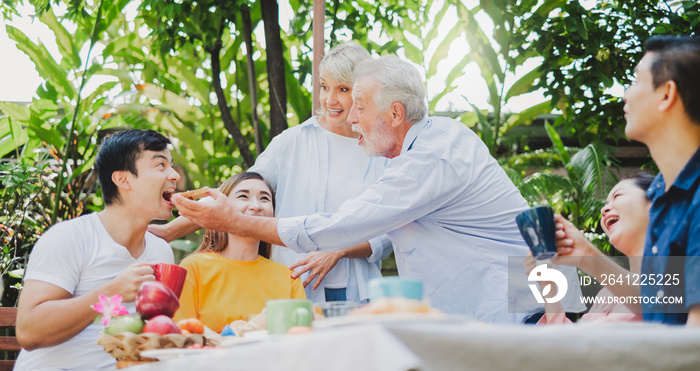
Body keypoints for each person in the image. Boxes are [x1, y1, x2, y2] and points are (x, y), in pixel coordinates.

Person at [172, 55, 585, 323]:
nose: (349, 117)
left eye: (359, 106)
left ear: (395, 112)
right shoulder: (412, 152)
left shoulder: (432, 157)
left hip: (525, 310)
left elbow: (345, 225)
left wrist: (232, 220)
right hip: (492, 310)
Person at [150, 42, 392, 304]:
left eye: (343, 89)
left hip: (357, 292)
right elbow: (236, 195)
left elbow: (388, 231)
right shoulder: (292, 142)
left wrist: (339, 251)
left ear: (362, 92)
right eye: (324, 87)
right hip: (290, 282)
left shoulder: (382, 151)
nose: (329, 100)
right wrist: (171, 230)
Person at [15, 129, 178, 370]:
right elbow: (29, 331)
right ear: (123, 180)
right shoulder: (70, 238)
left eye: (171, 166)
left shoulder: (161, 252)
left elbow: (152, 334)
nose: (174, 176)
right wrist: (112, 291)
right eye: (160, 165)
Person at [622, 35, 700, 325]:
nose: (624, 95)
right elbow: (659, 305)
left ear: (667, 94)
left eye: (634, 81)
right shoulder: (660, 194)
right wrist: (584, 253)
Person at [173, 172, 306, 333]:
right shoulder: (193, 268)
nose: (256, 206)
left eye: (265, 198)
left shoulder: (289, 278)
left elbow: (300, 338)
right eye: (243, 196)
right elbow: (182, 337)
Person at [524, 174, 654, 324]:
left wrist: (587, 256)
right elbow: (566, 342)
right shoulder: (606, 294)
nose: (604, 209)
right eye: (604, 204)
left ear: (656, 205)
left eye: (618, 196)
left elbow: (657, 307)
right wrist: (546, 282)